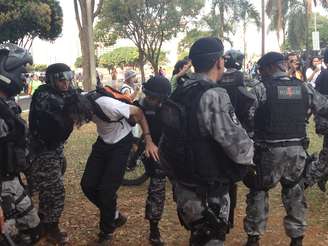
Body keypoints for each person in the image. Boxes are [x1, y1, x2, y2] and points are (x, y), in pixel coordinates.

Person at [159, 37, 254, 246]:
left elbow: (166, 144)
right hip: (209, 191)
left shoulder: (180, 91)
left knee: (199, 237)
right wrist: (252, 157)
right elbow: (238, 146)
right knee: (211, 239)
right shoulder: (214, 95)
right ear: (219, 62)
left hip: (185, 186)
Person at [243, 52, 328, 246]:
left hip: (267, 153)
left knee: (258, 191)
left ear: (269, 67)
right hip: (296, 152)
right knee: (295, 192)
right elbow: (324, 107)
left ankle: (254, 238)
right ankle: (297, 239)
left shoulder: (261, 89)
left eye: (262, 70)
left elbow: (245, 117)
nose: (261, 73)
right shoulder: (304, 88)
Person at [80, 83, 159, 245]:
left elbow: (139, 113)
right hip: (103, 142)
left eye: (77, 118)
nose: (76, 122)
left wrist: (148, 139)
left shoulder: (107, 105)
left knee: (106, 190)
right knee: (87, 185)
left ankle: (106, 231)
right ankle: (114, 214)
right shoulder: (81, 101)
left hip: (122, 143)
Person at [27, 63, 77, 244]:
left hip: (52, 150)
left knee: (48, 190)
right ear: (51, 80)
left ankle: (43, 225)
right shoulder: (44, 95)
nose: (66, 83)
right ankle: (50, 229)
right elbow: (64, 110)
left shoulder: (59, 94)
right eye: (61, 79)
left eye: (68, 79)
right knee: (54, 191)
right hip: (43, 152)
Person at [0, 43, 41, 244]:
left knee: (31, 231)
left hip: (12, 181)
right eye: (21, 72)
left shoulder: (8, 104)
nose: (24, 77)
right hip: (3, 189)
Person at [135, 76, 171, 245]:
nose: (149, 100)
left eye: (153, 98)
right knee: (156, 191)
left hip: (173, 154)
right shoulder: (142, 104)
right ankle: (154, 229)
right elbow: (132, 113)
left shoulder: (172, 108)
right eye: (148, 96)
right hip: (154, 153)